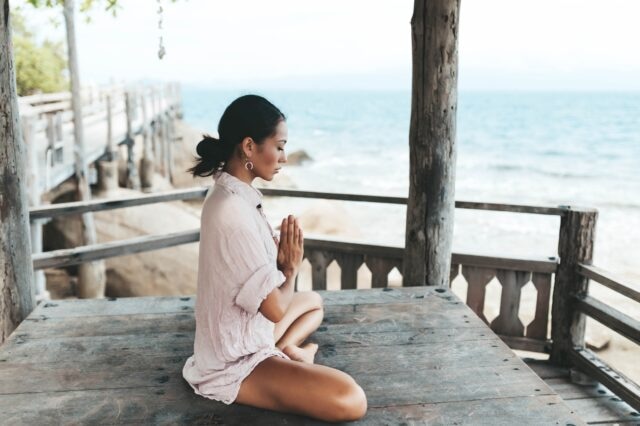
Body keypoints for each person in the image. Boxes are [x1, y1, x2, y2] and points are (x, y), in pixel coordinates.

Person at [182, 95, 367, 422]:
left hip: (241, 331)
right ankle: (293, 357)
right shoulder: (234, 213)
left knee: (312, 303)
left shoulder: (230, 192)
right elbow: (276, 308)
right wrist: (290, 267)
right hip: (232, 362)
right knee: (351, 399)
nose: (283, 157)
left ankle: (290, 350)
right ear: (250, 147)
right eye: (279, 146)